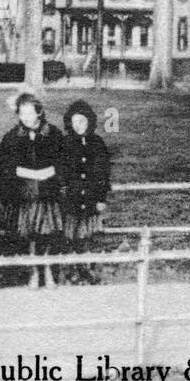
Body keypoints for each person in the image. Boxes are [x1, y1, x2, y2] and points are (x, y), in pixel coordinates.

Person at [0, 93, 65, 288]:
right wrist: (26, 173)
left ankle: (48, 270)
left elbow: (63, 160)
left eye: (30, 113)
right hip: (25, 194)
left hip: (47, 193)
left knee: (48, 233)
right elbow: (4, 165)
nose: (26, 117)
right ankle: (34, 271)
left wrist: (49, 172)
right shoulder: (12, 137)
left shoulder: (53, 133)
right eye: (22, 113)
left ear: (39, 112)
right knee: (31, 236)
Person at [59, 100, 111, 284]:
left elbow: (103, 173)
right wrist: (63, 191)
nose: (79, 125)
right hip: (71, 198)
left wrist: (100, 197)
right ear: (69, 123)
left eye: (82, 121)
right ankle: (70, 270)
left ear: (89, 121)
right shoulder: (65, 144)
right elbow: (60, 171)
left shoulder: (97, 143)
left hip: (90, 197)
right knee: (69, 236)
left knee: (85, 236)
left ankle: (85, 269)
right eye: (75, 122)